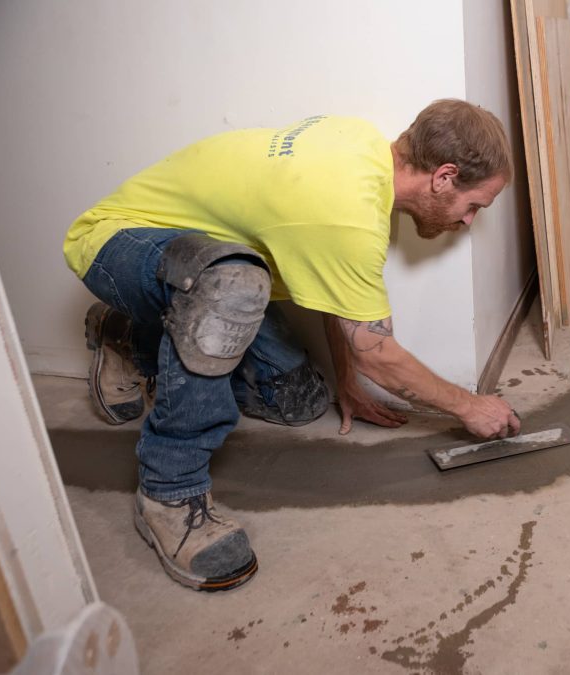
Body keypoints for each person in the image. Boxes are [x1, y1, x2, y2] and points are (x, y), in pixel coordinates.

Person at [63, 99, 522, 592]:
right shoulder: (346, 212)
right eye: (474, 205)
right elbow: (378, 351)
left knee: (298, 401)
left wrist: (345, 379)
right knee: (232, 288)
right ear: (444, 176)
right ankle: (169, 491)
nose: (469, 220)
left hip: (203, 269)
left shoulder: (362, 150)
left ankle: (135, 335)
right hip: (120, 241)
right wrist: (469, 407)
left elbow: (329, 278)